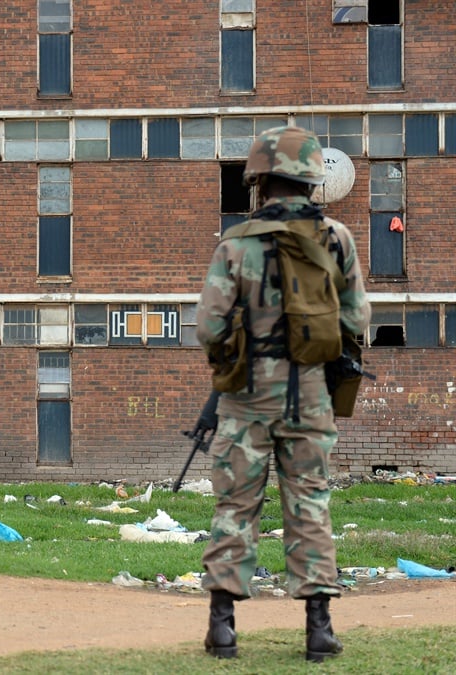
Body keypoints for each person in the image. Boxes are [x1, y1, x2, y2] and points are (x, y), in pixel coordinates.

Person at [195, 126, 370, 663]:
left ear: (260, 179)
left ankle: (223, 628)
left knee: (235, 507)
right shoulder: (336, 238)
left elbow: (209, 327)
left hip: (247, 397)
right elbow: (357, 320)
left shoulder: (236, 242)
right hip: (311, 395)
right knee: (310, 503)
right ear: (312, 179)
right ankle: (319, 629)